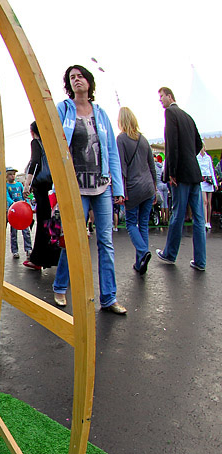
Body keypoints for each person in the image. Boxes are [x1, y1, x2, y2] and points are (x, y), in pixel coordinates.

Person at [52, 65, 126, 314]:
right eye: (72, 78)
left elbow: (112, 152)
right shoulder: (64, 109)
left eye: (80, 76)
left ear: (89, 82)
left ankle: (109, 298)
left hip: (102, 186)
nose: (76, 80)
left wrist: (117, 186)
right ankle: (60, 286)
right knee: (73, 240)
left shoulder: (102, 113)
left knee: (106, 242)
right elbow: (54, 142)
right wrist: (59, 184)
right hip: (75, 187)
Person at [155, 87, 206, 270]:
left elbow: (172, 144)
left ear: (170, 96)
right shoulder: (188, 116)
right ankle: (200, 261)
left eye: (162, 97)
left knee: (177, 214)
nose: (161, 101)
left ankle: (170, 253)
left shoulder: (171, 113)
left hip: (181, 175)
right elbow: (199, 143)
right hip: (194, 173)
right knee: (199, 218)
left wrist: (171, 172)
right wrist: (189, 156)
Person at [116, 107, 157, 274]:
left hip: (133, 188)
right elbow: (152, 166)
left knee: (131, 223)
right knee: (144, 225)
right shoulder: (144, 139)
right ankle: (140, 263)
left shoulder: (121, 139)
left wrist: (121, 191)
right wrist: (154, 188)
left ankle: (143, 252)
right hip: (148, 187)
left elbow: (122, 167)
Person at [22, 122, 61, 270]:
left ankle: (38, 259)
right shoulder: (50, 144)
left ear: (33, 132)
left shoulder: (36, 142)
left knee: (43, 222)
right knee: (49, 221)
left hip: (40, 185)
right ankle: (48, 256)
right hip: (50, 185)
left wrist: (27, 184)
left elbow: (35, 162)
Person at [6, 166, 32, 260]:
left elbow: (24, 195)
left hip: (23, 211)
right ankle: (15, 251)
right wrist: (14, 204)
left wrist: (29, 203)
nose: (12, 176)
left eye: (13, 174)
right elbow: (7, 197)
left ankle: (28, 249)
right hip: (13, 212)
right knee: (13, 232)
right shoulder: (6, 186)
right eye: (10, 174)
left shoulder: (19, 185)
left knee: (26, 231)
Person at [197, 145, 217, 230]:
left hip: (209, 180)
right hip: (202, 181)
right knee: (204, 202)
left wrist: (215, 182)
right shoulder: (197, 157)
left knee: (209, 202)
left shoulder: (208, 158)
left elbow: (211, 169)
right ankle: (205, 222)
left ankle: (208, 221)